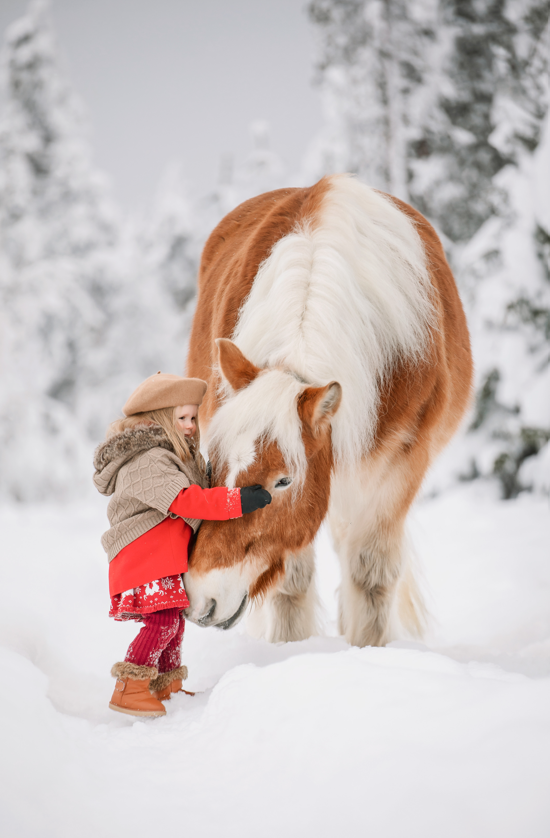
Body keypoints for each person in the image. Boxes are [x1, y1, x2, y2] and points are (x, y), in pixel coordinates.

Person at [93, 372, 271, 718]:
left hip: (163, 559)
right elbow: (186, 500)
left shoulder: (175, 456)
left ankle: (166, 685)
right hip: (144, 557)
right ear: (159, 418)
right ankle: (130, 688)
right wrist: (236, 501)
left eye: (193, 418)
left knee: (173, 623)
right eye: (182, 418)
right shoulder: (148, 460)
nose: (191, 426)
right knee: (161, 623)